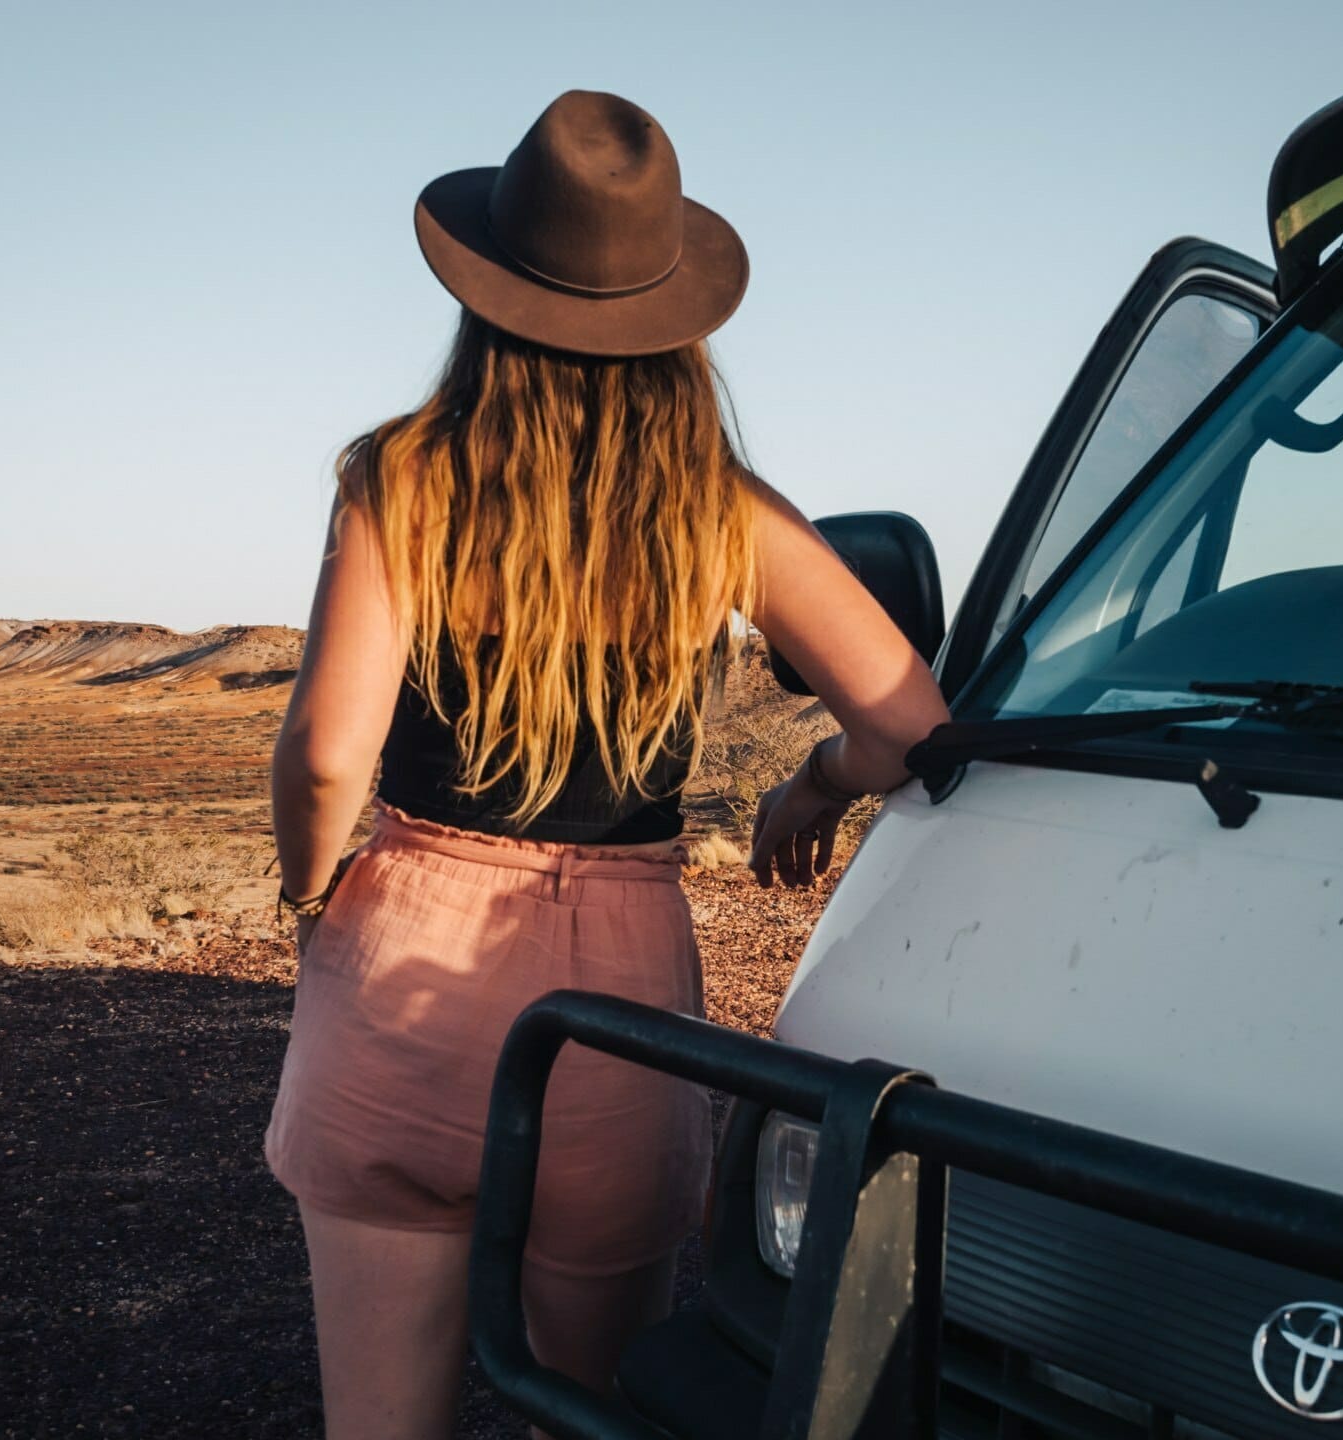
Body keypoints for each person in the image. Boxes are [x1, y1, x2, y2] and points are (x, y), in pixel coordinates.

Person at [262, 89, 950, 1440]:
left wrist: (307, 898)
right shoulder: (718, 509)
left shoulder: (401, 477)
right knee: (588, 1416)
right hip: (615, 1004)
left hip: (400, 955)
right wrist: (812, 786)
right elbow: (911, 727)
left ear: (486, 295)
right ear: (670, 320)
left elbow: (327, 753)